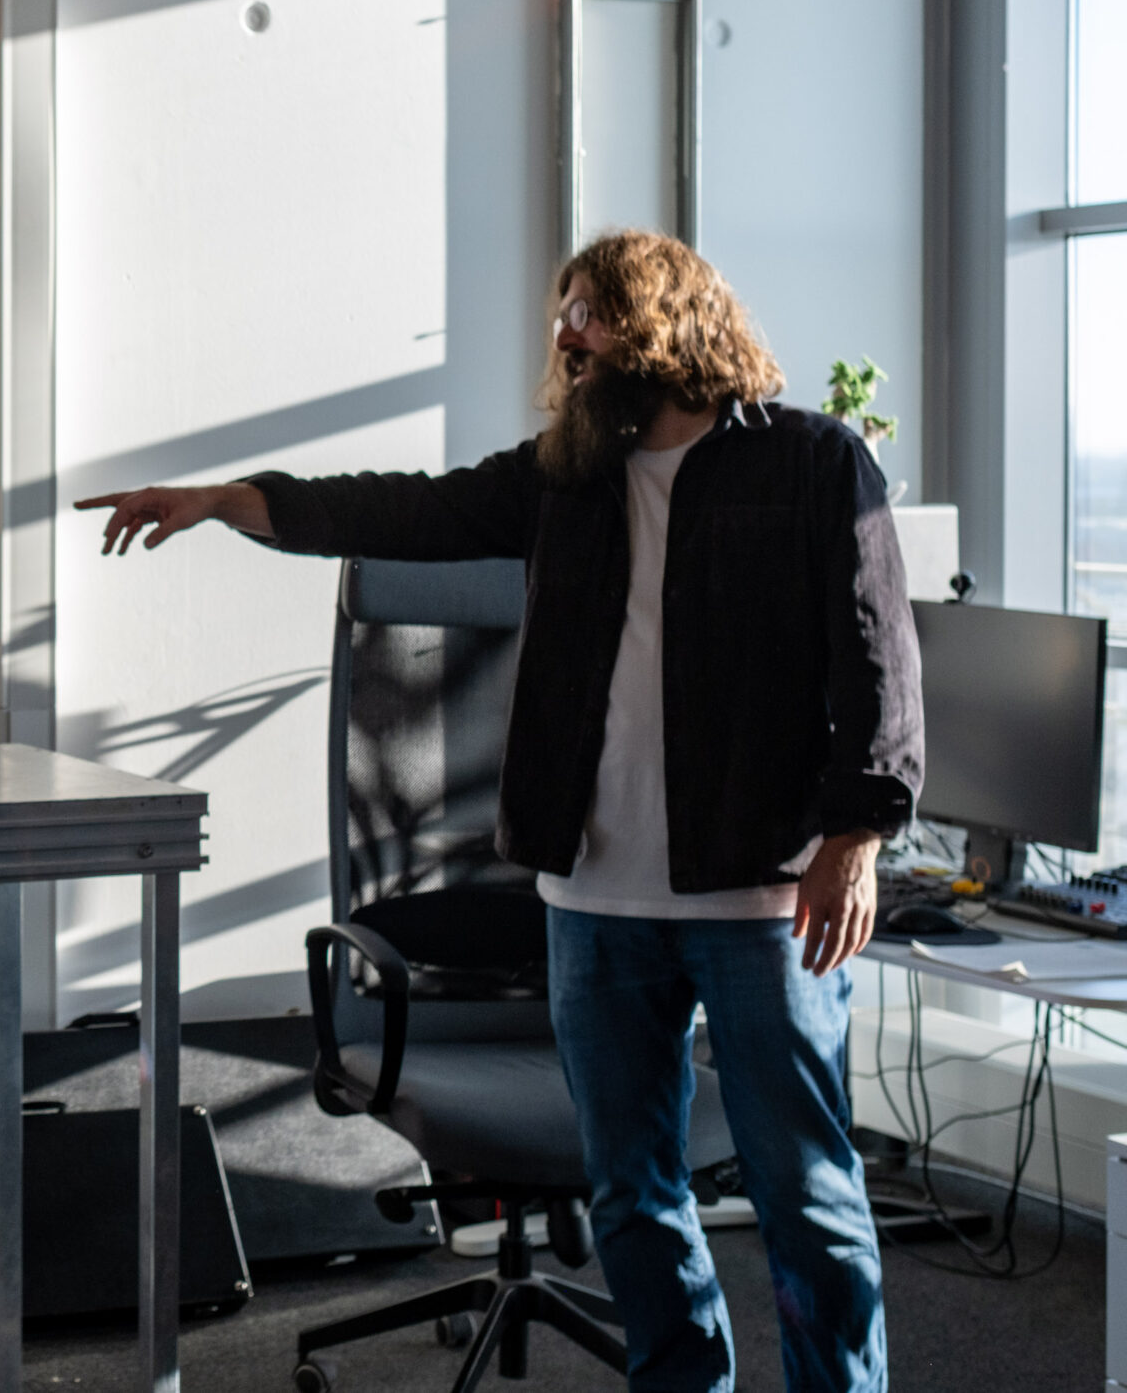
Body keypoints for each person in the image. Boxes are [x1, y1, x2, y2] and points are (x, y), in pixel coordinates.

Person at [78, 229, 917, 1393]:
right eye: (562, 315)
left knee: (805, 1195)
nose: (566, 336)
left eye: (590, 312)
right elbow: (403, 512)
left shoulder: (813, 463)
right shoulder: (565, 477)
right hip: (593, 900)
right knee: (631, 1193)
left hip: (759, 897)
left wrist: (855, 839)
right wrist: (233, 500)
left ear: (667, 319)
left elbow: (880, 666)